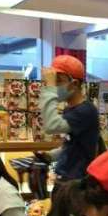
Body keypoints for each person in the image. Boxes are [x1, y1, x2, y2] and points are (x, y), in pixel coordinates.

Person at [41, 55, 100, 183]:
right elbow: (72, 146)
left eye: (58, 81)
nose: (55, 86)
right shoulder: (70, 109)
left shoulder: (85, 111)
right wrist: (50, 155)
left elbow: (51, 126)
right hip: (66, 178)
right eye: (53, 81)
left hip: (77, 183)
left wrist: (50, 88)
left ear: (74, 84)